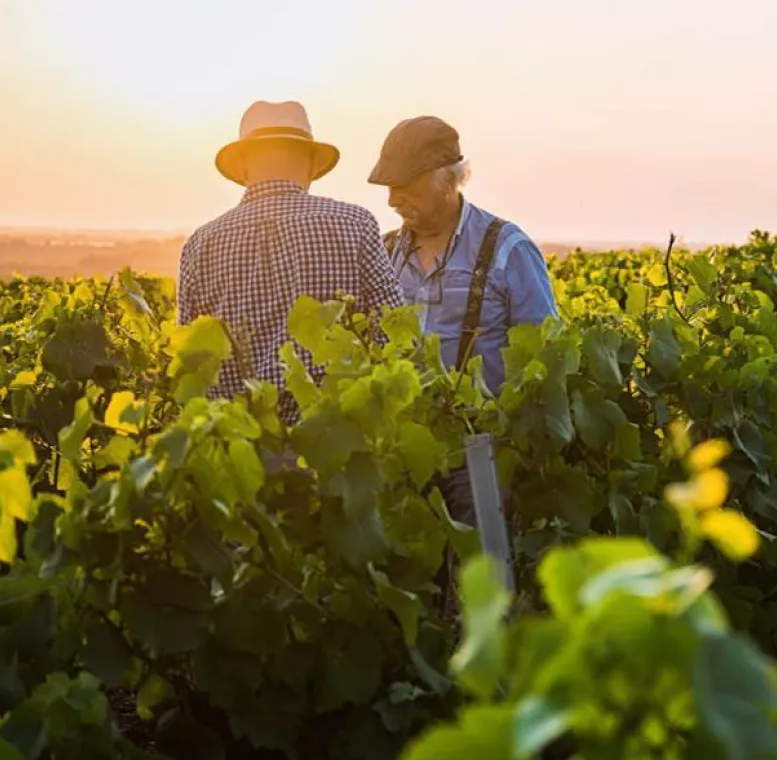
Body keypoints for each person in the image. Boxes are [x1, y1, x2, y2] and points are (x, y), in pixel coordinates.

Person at [367, 115, 559, 532]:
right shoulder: (384, 252)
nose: (393, 200)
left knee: (484, 578)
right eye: (389, 187)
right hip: (406, 450)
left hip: (482, 451)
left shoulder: (508, 248)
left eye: (405, 185)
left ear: (446, 178)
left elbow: (546, 356)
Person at [177, 100, 404, 426]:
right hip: (337, 441)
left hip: (239, 449)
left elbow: (192, 367)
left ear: (242, 166)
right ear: (311, 164)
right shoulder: (356, 224)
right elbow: (393, 334)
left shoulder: (200, 245)